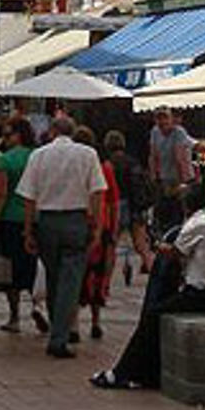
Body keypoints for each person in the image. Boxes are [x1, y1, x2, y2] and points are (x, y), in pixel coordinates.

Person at [90, 179, 205, 390]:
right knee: (160, 314)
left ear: (185, 205)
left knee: (152, 316)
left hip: (204, 294)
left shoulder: (196, 224)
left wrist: (155, 245)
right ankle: (143, 372)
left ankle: (121, 373)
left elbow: (175, 252)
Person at [17, 111, 106, 359]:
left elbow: (29, 197)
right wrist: (96, 226)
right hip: (76, 220)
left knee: (55, 278)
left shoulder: (39, 155)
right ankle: (59, 337)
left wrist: (28, 230)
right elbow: (97, 192)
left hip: (47, 222)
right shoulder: (88, 155)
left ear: (52, 132)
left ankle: (59, 331)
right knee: (71, 280)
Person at [0, 115, 44, 334]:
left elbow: (1, 193)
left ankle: (14, 317)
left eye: (8, 134)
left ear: (18, 135)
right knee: (33, 267)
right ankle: (38, 306)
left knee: (10, 269)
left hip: (10, 219)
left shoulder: (5, 160)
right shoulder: (37, 157)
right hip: (36, 218)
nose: (5, 139)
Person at [75, 126, 120, 340]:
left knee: (77, 274)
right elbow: (112, 201)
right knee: (98, 273)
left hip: (79, 223)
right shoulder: (104, 167)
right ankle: (96, 321)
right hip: (103, 227)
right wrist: (114, 227)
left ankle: (73, 325)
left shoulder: (73, 166)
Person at [103, 129, 153, 274]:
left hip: (117, 205)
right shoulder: (133, 162)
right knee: (140, 243)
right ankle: (149, 267)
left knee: (111, 243)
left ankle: (107, 275)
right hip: (136, 205)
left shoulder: (108, 164)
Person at [148, 108, 195, 235]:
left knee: (176, 209)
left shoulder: (179, 132)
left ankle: (175, 235)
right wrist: (154, 176)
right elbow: (153, 155)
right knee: (168, 210)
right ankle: (168, 234)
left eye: (165, 119)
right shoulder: (155, 131)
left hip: (177, 176)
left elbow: (180, 157)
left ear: (171, 120)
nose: (162, 123)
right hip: (165, 177)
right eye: (159, 120)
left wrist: (184, 181)